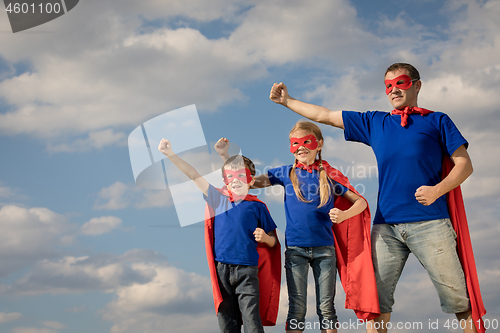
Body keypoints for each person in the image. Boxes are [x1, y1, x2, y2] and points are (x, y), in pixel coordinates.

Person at [269, 63, 486, 333]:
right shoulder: (375, 122)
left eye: (401, 83)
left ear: (417, 85)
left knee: (458, 299)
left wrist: (437, 190)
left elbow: (465, 164)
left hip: (431, 223)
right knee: (376, 306)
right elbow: (325, 115)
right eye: (388, 85)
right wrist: (287, 101)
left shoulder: (437, 121)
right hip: (386, 228)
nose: (394, 89)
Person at [215, 123, 379, 333]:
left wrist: (344, 214)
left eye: (306, 142)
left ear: (318, 144)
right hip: (295, 251)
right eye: (295, 143)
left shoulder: (329, 174)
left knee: (326, 308)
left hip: (325, 251)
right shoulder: (286, 173)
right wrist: (225, 156)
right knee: (296, 309)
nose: (300, 147)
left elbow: (361, 202)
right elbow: (247, 181)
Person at [158, 138, 280, 333]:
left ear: (251, 180)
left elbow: (274, 243)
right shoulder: (217, 199)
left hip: (247, 271)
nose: (237, 179)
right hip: (221, 270)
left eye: (242, 175)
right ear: (225, 180)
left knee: (251, 322)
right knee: (227, 322)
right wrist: (169, 154)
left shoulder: (257, 207)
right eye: (231, 176)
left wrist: (266, 238)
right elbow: (193, 175)